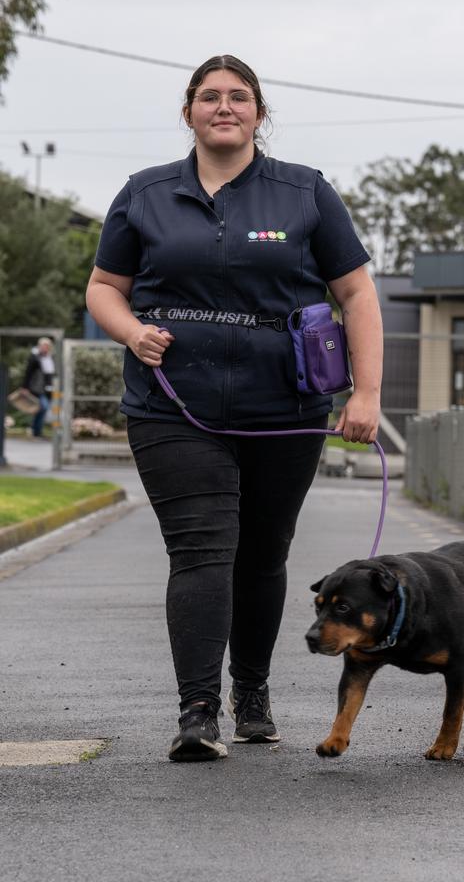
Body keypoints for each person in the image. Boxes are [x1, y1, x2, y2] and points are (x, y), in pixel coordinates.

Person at [86, 54, 383, 762]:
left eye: (239, 97)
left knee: (261, 553)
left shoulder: (305, 193)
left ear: (259, 112)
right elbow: (104, 286)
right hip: (171, 404)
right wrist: (132, 332)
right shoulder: (145, 193)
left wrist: (366, 392)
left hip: (287, 405)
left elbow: (358, 294)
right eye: (210, 96)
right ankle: (197, 712)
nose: (225, 107)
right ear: (188, 110)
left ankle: (251, 691)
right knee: (201, 549)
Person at [21, 337, 55, 438]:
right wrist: (25, 387)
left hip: (48, 389)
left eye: (47, 346)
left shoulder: (50, 358)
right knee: (43, 407)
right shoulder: (34, 358)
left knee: (40, 409)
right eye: (43, 346)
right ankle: (36, 431)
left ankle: (34, 430)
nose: (45, 348)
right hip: (36, 388)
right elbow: (28, 373)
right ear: (40, 346)